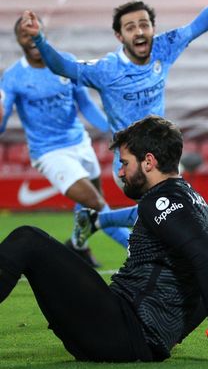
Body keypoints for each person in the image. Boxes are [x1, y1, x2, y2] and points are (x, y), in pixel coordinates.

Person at [0, 115, 208, 362]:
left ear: (149, 161)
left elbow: (207, 258)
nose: (120, 172)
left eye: (124, 163)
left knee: (27, 239)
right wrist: (169, 336)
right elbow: (204, 271)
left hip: (121, 330)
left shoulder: (161, 201)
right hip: (137, 339)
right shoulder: (191, 198)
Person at [21, 0, 208, 246]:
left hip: (161, 154)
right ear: (119, 35)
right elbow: (63, 68)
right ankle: (191, 276)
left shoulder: (164, 47)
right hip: (131, 160)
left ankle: (98, 221)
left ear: (152, 28)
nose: (139, 32)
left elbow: (198, 26)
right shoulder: (107, 70)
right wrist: (40, 41)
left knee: (168, 215)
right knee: (176, 213)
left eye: (143, 24)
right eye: (130, 27)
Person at [0, 15, 134, 267]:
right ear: (18, 39)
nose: (30, 38)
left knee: (90, 204)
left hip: (79, 142)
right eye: (24, 34)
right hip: (49, 152)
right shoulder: (14, 77)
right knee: (95, 202)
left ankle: (77, 246)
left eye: (34, 31)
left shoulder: (65, 62)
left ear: (43, 31)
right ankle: (136, 247)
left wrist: (111, 128)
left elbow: (84, 103)